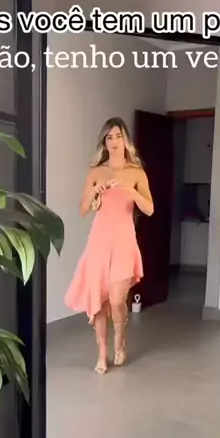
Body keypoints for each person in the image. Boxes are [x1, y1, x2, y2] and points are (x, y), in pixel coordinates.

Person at [65, 116, 154, 374]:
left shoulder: (136, 173)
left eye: (118, 136)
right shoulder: (96, 171)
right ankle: (102, 353)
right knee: (100, 302)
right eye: (109, 137)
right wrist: (95, 191)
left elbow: (149, 209)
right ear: (104, 142)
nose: (114, 141)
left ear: (126, 140)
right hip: (99, 242)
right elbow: (83, 209)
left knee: (116, 300)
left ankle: (120, 338)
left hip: (124, 241)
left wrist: (130, 190)